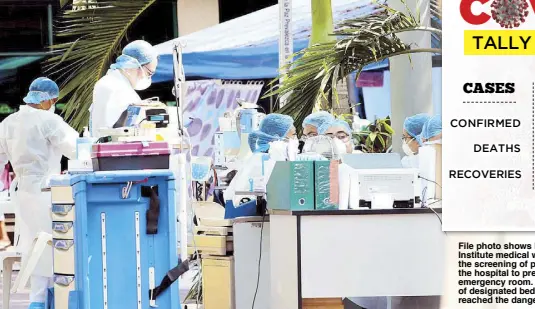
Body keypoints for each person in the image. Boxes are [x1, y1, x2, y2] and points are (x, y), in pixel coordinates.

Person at [0, 77, 79, 309]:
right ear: (49, 100)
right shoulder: (50, 120)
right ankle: (55, 301)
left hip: (22, 193)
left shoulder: (7, 123)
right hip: (48, 192)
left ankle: (37, 301)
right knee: (56, 248)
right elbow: (77, 149)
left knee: (34, 249)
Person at [90, 40, 158, 137]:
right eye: (149, 73)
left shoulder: (113, 82)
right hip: (113, 149)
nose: (148, 78)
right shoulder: (116, 87)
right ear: (135, 65)